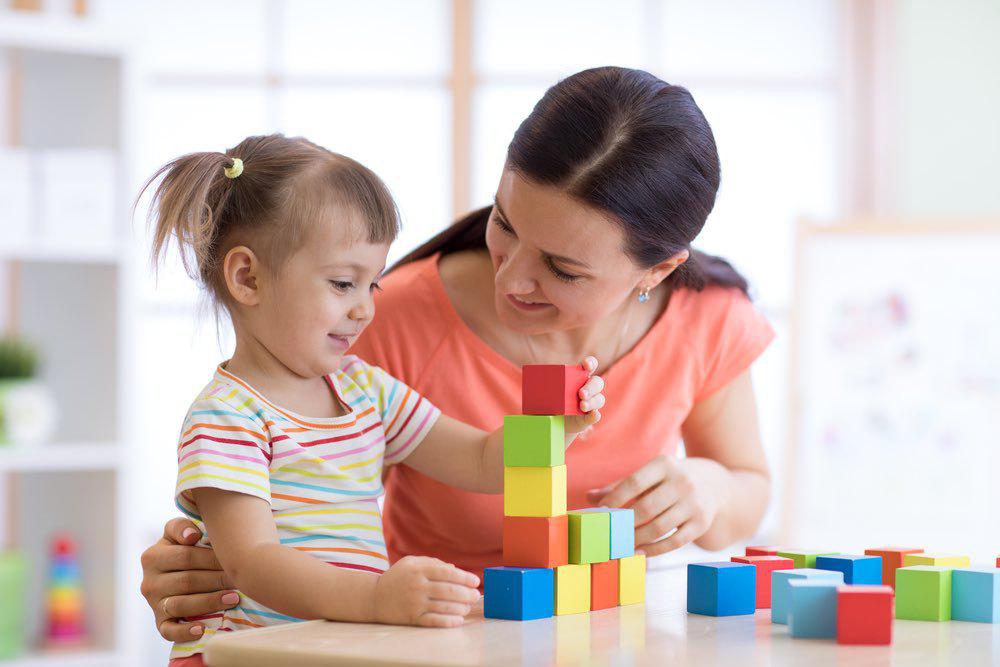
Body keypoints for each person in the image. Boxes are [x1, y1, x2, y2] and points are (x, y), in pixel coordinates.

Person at [140, 66, 774, 643]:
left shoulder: (362, 388)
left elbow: (482, 456)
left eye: (561, 268)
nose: (513, 280)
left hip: (595, 636)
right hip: (401, 639)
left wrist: (562, 436)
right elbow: (264, 551)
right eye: (504, 223)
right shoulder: (359, 337)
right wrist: (196, 565)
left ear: (657, 271)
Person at [140, 134, 605, 665]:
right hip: (248, 654)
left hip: (339, 646)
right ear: (247, 277)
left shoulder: (367, 392)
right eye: (343, 284)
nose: (364, 310)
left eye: (373, 287)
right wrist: (376, 596)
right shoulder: (227, 416)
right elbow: (252, 562)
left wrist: (556, 426)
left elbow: (481, 461)